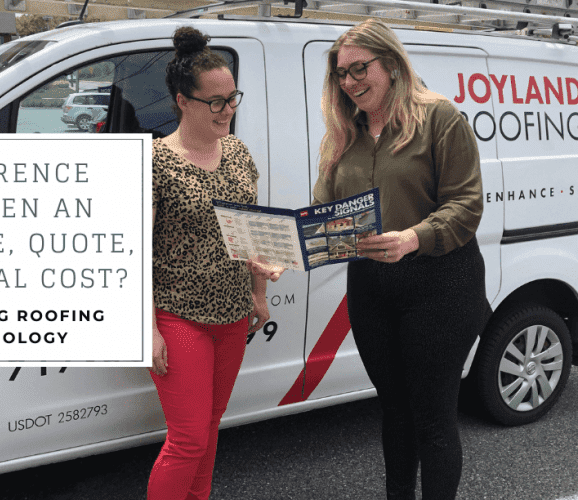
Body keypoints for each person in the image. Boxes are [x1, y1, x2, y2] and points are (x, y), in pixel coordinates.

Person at [312, 19, 492, 500]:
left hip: (441, 283)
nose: (350, 82)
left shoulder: (439, 117)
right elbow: (325, 212)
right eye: (341, 73)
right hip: (371, 288)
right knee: (394, 410)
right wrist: (289, 248)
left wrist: (413, 237)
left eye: (360, 68)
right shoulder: (341, 133)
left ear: (390, 63)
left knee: (432, 417)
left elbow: (466, 205)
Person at [148, 26, 278, 500]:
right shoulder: (156, 161)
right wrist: (147, 329)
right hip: (177, 314)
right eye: (216, 102)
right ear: (183, 101)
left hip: (232, 312)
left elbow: (251, 231)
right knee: (188, 439)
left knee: (210, 425)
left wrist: (259, 291)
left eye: (232, 98)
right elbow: (133, 252)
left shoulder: (239, 154)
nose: (228, 110)